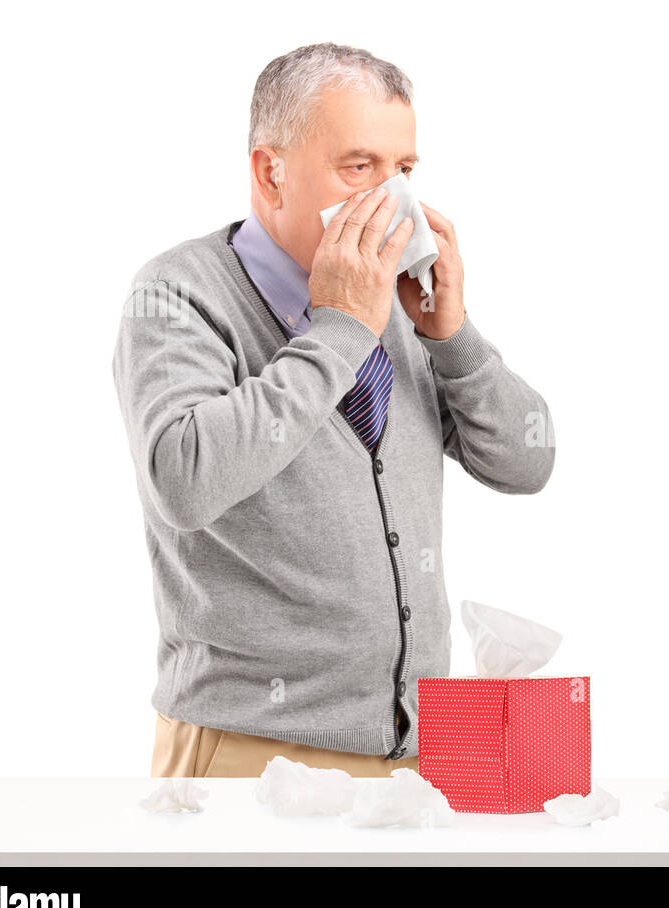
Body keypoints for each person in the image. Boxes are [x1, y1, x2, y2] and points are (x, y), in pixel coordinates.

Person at [112, 42, 555, 777]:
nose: (392, 202)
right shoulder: (177, 292)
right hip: (247, 753)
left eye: (404, 171)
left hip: (420, 753)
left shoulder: (400, 304)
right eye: (359, 168)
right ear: (270, 172)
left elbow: (527, 463)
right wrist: (341, 328)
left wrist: (453, 337)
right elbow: (184, 481)